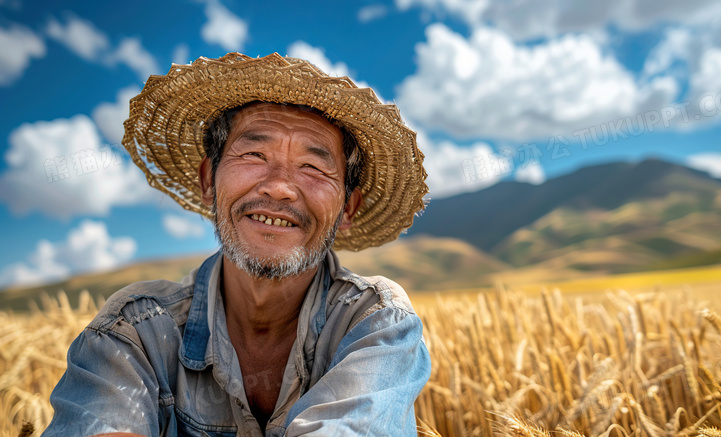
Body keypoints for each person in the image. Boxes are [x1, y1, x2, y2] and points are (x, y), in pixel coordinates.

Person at [42, 52, 430, 437]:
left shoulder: (374, 323)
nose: (279, 185)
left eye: (312, 166)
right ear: (209, 179)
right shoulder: (137, 331)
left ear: (348, 207)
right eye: (254, 154)